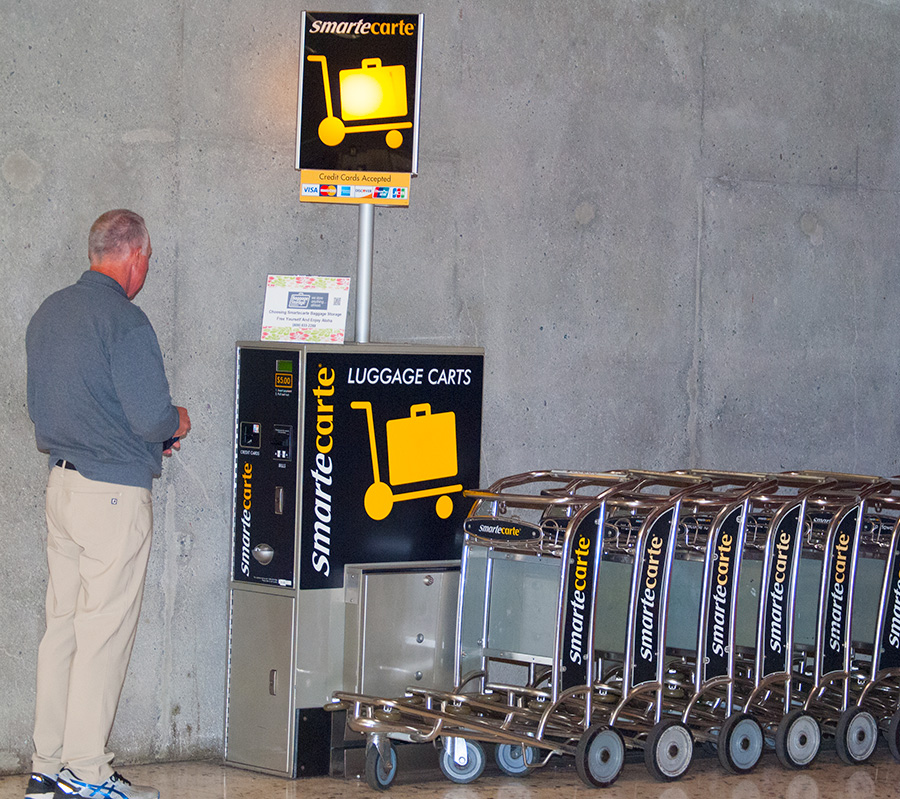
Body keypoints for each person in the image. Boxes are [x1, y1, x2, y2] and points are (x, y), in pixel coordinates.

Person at [25, 210, 191, 799]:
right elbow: (149, 416)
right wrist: (177, 422)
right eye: (147, 260)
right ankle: (87, 773)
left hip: (62, 489)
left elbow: (43, 407)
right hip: (113, 496)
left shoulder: (49, 313)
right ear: (135, 256)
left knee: (62, 631)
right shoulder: (124, 319)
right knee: (103, 634)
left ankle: (46, 768)